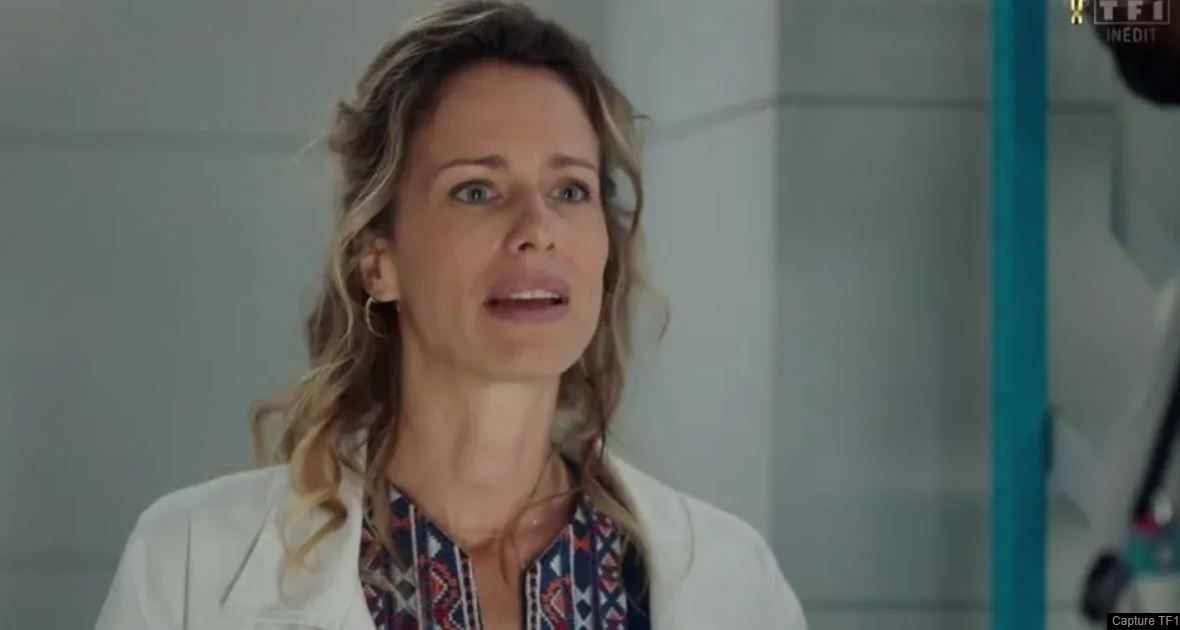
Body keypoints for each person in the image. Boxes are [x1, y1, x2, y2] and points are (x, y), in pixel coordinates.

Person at [94, 1, 806, 628]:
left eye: (569, 190)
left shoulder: (732, 583)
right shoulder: (189, 564)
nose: (537, 229)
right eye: (476, 191)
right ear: (379, 260)